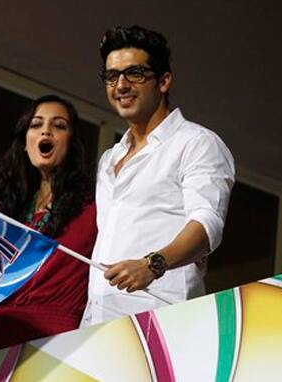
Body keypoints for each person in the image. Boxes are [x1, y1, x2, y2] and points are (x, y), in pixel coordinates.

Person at [81, 26, 235, 326]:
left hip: (162, 318)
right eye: (112, 76)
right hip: (96, 321)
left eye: (134, 73)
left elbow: (207, 224)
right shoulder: (109, 158)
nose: (121, 85)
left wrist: (152, 265)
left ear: (164, 81)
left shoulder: (196, 142)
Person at [0, 95, 96, 355]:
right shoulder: (6, 213)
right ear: (25, 143)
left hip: (56, 344)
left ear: (72, 143)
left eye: (59, 126)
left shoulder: (94, 207)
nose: (46, 130)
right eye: (36, 124)